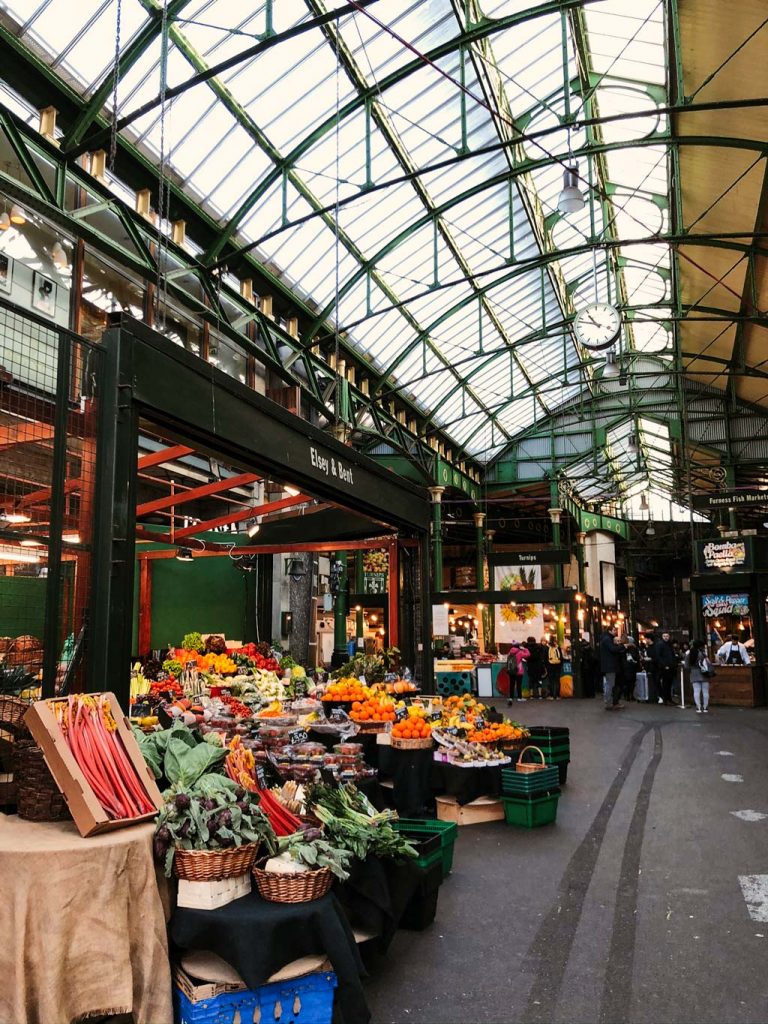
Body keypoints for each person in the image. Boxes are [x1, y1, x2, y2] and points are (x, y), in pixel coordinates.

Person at [600, 626, 625, 710]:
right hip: (610, 666)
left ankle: (610, 702)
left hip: (609, 665)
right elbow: (613, 649)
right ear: (610, 630)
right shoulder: (607, 639)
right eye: (614, 630)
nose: (615, 632)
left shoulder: (606, 638)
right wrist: (623, 646)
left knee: (610, 684)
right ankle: (608, 703)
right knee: (610, 684)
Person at [651, 631, 678, 705]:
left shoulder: (669, 645)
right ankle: (666, 699)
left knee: (669, 684)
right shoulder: (660, 644)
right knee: (666, 684)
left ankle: (668, 699)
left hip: (670, 666)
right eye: (664, 636)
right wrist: (664, 665)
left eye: (667, 636)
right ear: (662, 637)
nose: (666, 637)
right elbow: (658, 656)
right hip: (665, 667)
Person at [685, 639, 711, 713]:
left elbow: (686, 666)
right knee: (705, 691)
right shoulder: (703, 653)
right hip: (704, 673)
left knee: (696, 691)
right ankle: (705, 707)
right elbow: (708, 663)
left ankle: (698, 707)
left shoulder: (689, 654)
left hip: (694, 673)